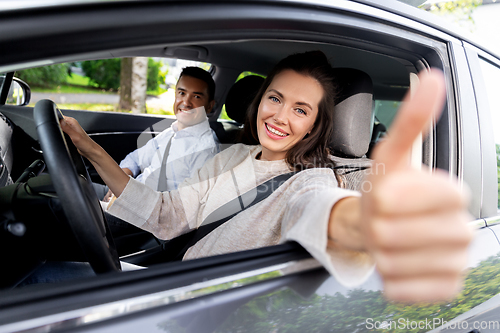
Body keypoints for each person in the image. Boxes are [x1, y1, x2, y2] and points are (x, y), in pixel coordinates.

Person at [61, 51, 472, 303]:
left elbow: (320, 211)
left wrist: (365, 223)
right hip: (168, 280)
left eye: (300, 109)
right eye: (275, 98)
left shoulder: (311, 181)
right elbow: (168, 216)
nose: (279, 116)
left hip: (201, 306)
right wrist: (89, 148)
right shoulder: (233, 154)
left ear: (314, 125)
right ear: (260, 101)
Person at [95, 66, 220, 201]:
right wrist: (119, 185)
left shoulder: (206, 151)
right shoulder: (171, 132)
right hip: (125, 196)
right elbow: (135, 159)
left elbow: (187, 209)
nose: (186, 102)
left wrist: (128, 200)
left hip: (140, 214)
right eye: (182, 93)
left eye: (196, 96)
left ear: (209, 106)